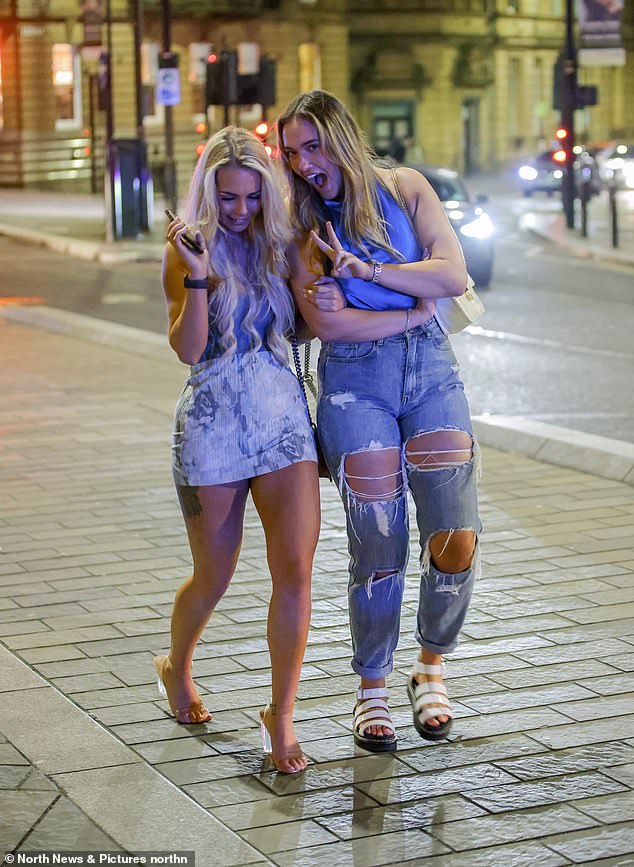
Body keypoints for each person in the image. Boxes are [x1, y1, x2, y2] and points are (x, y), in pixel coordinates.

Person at [278, 91, 481, 752]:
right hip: (354, 379)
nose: (306, 163)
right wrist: (412, 307)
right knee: (378, 536)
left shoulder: (406, 187)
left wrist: (372, 274)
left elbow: (452, 272)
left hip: (430, 369)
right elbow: (331, 322)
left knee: (456, 532)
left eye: (313, 145)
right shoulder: (306, 223)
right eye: (293, 153)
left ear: (343, 137)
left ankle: (431, 664)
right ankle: (372, 688)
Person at [155, 126, 320, 775]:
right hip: (212, 423)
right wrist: (199, 278)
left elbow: (306, 322)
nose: (240, 210)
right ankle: (177, 664)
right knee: (214, 574)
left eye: (251, 197)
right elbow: (189, 350)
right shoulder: (187, 248)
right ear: (208, 189)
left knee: (297, 571)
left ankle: (279, 715)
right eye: (228, 197)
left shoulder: (281, 243)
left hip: (281, 418)